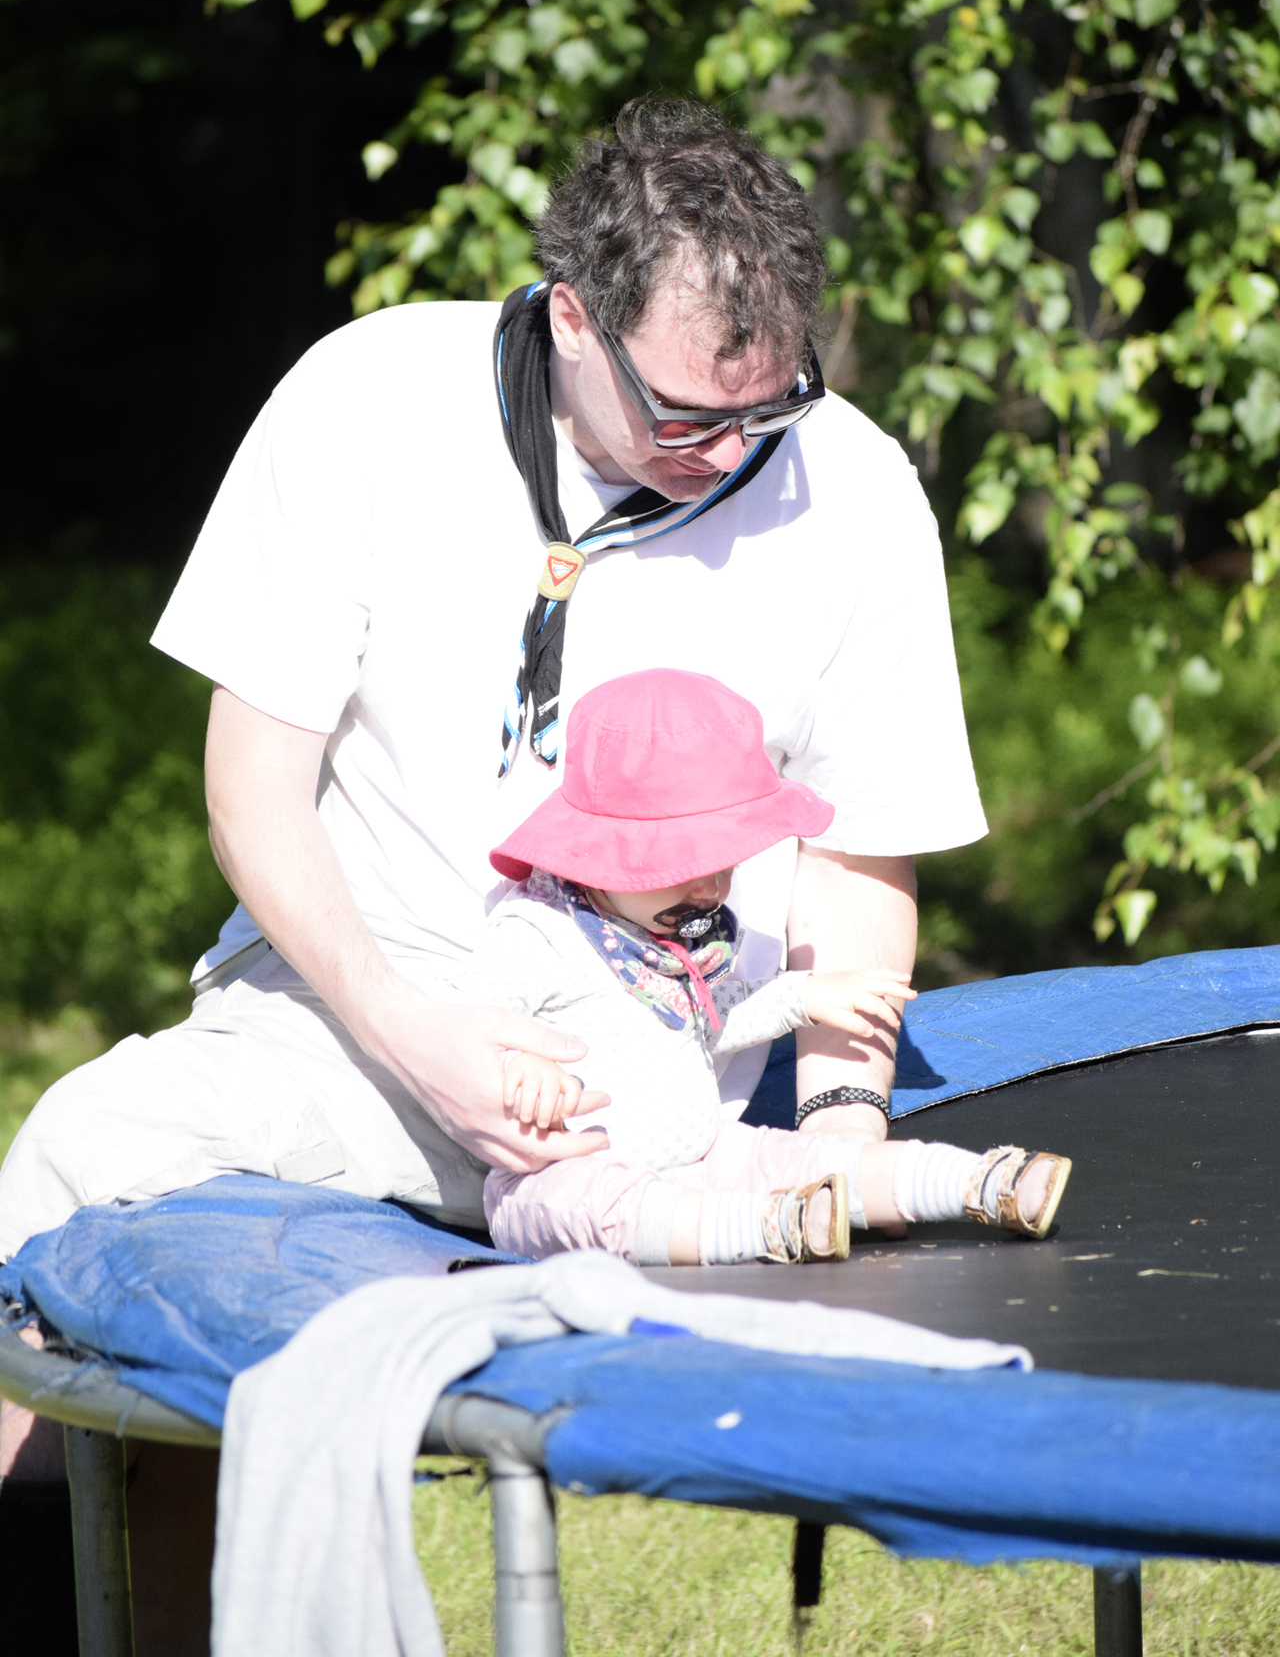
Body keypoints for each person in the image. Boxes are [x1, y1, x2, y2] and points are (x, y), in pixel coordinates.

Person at [0, 98, 989, 1651]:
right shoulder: (367, 398)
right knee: (81, 1161)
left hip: (650, 1085)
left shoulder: (851, 489)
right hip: (351, 1025)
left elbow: (864, 858)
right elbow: (252, 796)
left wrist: (842, 1128)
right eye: (686, 414)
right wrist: (419, 1038)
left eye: (774, 403)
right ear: (571, 317)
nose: (735, 451)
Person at [467, 669, 1069, 1265]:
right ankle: (766, 1225)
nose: (710, 890)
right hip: (562, 1172)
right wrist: (520, 1068)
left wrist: (804, 996)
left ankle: (975, 1182)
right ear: (601, 851)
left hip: (702, 1158)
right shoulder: (539, 933)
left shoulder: (672, 941)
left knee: (803, 1160)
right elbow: (470, 1039)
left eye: (725, 866)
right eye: (686, 867)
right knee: (593, 1205)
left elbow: (713, 1017)